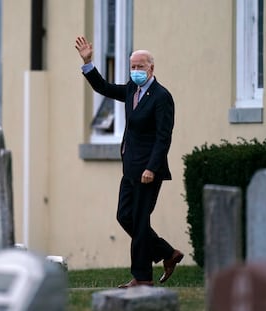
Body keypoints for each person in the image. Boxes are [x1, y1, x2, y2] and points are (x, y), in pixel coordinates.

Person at [75, 36, 183, 288]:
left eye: (140, 66)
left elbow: (163, 137)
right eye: (132, 66)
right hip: (130, 168)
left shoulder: (161, 97)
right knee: (126, 217)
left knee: (140, 220)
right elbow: (102, 87)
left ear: (151, 68)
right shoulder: (131, 90)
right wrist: (88, 62)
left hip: (149, 171)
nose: (136, 71)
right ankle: (167, 253)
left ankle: (142, 278)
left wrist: (151, 168)